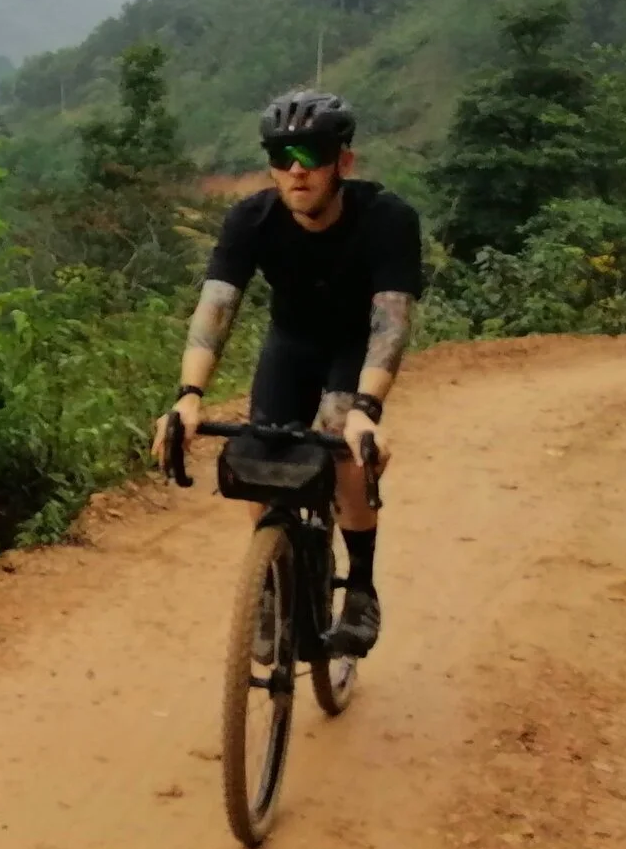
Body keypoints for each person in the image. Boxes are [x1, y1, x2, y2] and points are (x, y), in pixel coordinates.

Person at [149, 89, 422, 656]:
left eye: (312, 151)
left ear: (342, 162)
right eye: (281, 155)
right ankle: (270, 584)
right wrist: (189, 396)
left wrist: (367, 413)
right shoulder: (252, 219)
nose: (296, 169)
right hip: (292, 342)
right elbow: (216, 307)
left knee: (340, 434)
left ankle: (361, 588)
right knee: (262, 451)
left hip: (353, 345)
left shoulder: (387, 219)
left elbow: (390, 324)